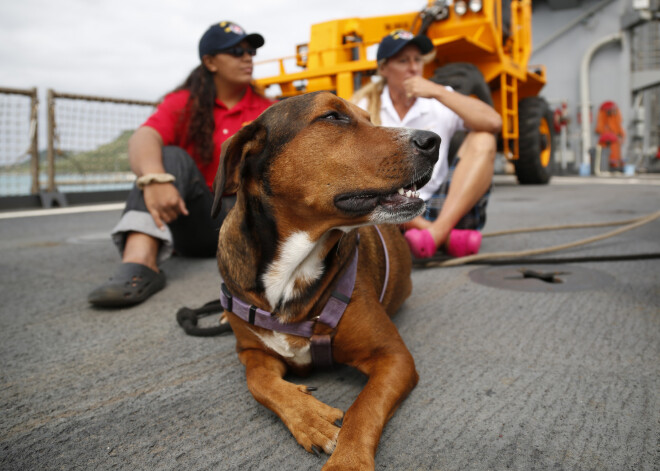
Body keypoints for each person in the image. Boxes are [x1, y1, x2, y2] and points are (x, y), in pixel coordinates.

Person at [88, 21, 273, 307]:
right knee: (169, 155)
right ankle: (140, 263)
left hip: (250, 225)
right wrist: (154, 178)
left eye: (251, 52)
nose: (247, 57)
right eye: (236, 51)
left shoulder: (268, 109)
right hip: (199, 223)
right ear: (210, 62)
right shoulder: (183, 102)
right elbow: (144, 137)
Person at [353, 30, 502, 259]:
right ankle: (443, 237)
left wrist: (438, 91)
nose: (413, 68)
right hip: (387, 208)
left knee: (484, 138)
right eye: (403, 61)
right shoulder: (363, 105)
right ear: (383, 69)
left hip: (441, 206)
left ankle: (437, 232)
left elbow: (493, 122)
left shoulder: (439, 99)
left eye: (417, 60)